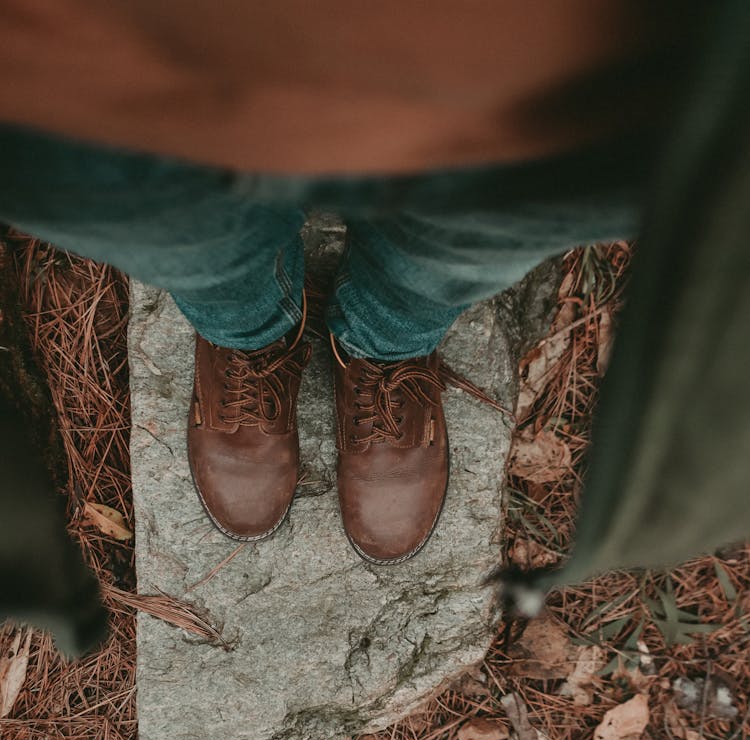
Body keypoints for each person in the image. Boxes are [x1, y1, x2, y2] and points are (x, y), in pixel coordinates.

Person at [3, 0, 745, 654]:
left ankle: (383, 346)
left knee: (464, 238)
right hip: (91, 72)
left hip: (556, 67)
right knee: (184, 237)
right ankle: (250, 335)